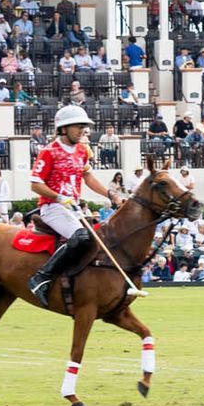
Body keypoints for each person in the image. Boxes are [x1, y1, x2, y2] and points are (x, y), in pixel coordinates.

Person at [28, 103, 122, 302]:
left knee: (98, 239)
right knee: (80, 236)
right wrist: (60, 197)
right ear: (63, 128)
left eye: (83, 126)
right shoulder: (49, 151)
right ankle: (41, 277)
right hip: (53, 207)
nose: (83, 130)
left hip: (73, 208)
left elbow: (88, 177)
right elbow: (35, 184)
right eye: (77, 126)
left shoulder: (81, 151)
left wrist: (110, 194)